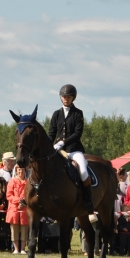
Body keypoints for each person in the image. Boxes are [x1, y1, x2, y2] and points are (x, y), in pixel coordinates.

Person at [48, 84, 97, 223]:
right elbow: (51, 133)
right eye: (64, 97)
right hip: (59, 150)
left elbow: (77, 133)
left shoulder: (77, 113)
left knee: (82, 171)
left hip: (74, 150)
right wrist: (49, 146)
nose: (66, 99)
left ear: (72, 98)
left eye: (68, 97)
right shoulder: (56, 114)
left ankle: (89, 202)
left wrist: (63, 142)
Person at [5, 165, 29, 254]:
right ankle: (16, 249)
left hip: (24, 208)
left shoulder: (28, 182)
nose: (20, 172)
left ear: (25, 170)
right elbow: (9, 195)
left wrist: (23, 203)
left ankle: (22, 249)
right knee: (14, 229)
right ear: (16, 171)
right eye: (19, 170)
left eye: (22, 169)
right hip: (13, 208)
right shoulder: (12, 182)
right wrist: (19, 201)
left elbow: (29, 195)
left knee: (24, 229)